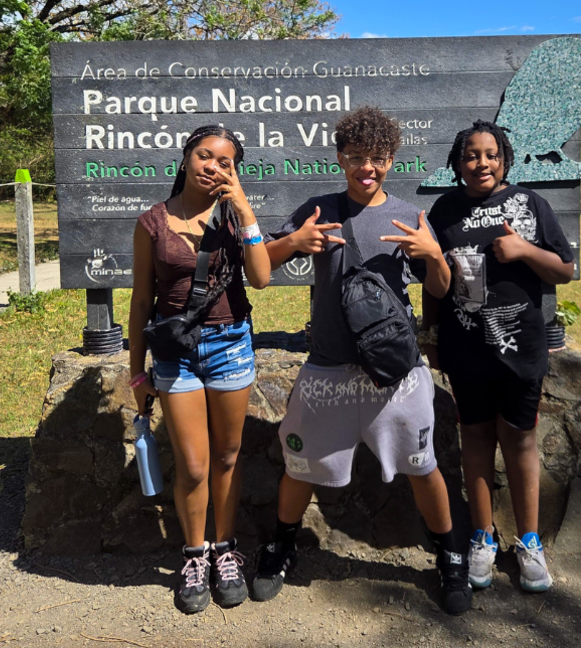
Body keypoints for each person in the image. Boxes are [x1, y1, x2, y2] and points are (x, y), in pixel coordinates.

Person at [249, 107, 472, 615]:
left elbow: (439, 288)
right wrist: (294, 242)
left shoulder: (408, 215)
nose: (365, 167)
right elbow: (260, 267)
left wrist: (432, 254)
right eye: (355, 157)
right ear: (339, 158)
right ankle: (281, 547)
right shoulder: (317, 208)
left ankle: (449, 556)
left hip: (397, 373)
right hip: (328, 365)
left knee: (424, 466)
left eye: (376, 158)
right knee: (300, 467)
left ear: (390, 159)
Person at [422, 120, 573, 594]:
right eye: (471, 155)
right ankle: (482, 537)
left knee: (520, 440)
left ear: (505, 159)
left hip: (521, 347)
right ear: (457, 162)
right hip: (466, 345)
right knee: (474, 439)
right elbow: (433, 280)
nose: (481, 163)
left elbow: (565, 269)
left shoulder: (530, 205)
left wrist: (524, 249)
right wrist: (431, 334)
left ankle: (529, 542)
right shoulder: (443, 211)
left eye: (490, 154)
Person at [128, 125, 274, 614]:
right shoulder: (152, 222)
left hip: (231, 344)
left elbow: (261, 277)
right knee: (193, 464)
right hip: (175, 353)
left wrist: (246, 210)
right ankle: (195, 554)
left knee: (227, 457)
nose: (213, 167)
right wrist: (135, 373)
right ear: (186, 158)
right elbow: (140, 301)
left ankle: (226, 549)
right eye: (204, 156)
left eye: (225, 162)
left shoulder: (236, 220)